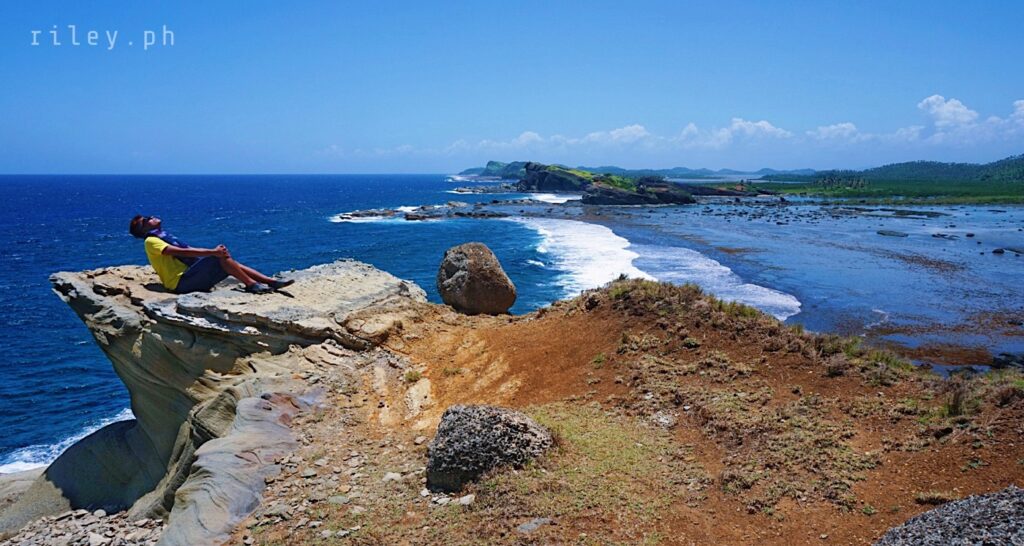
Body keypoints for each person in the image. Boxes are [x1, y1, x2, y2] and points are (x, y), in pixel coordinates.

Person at [129, 215, 293, 294]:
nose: (150, 217)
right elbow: (181, 252)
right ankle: (252, 285)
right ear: (143, 230)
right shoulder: (151, 241)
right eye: (145, 220)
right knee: (219, 258)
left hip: (189, 278)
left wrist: (214, 252)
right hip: (180, 284)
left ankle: (270, 282)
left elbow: (188, 249)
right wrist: (213, 253)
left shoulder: (162, 236)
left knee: (226, 260)